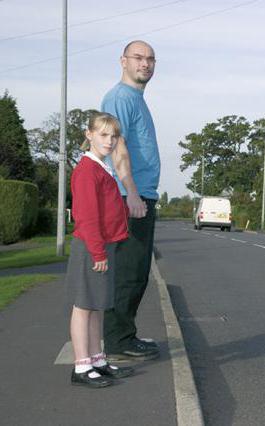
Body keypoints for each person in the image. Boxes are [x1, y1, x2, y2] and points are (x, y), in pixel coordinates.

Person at [101, 40, 161, 361]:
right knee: (128, 270)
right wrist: (132, 192)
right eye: (138, 57)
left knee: (136, 269)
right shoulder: (120, 97)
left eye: (151, 59)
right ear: (123, 61)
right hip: (129, 197)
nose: (145, 64)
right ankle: (118, 340)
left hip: (140, 195)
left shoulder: (136, 99)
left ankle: (123, 335)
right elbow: (116, 145)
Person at [66, 113, 134, 388]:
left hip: (103, 245)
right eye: (103, 135)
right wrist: (98, 253)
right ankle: (81, 367)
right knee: (84, 307)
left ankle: (97, 359)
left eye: (113, 136)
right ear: (89, 134)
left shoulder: (102, 167)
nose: (109, 140)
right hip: (92, 247)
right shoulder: (87, 170)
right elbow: (88, 217)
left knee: (96, 307)